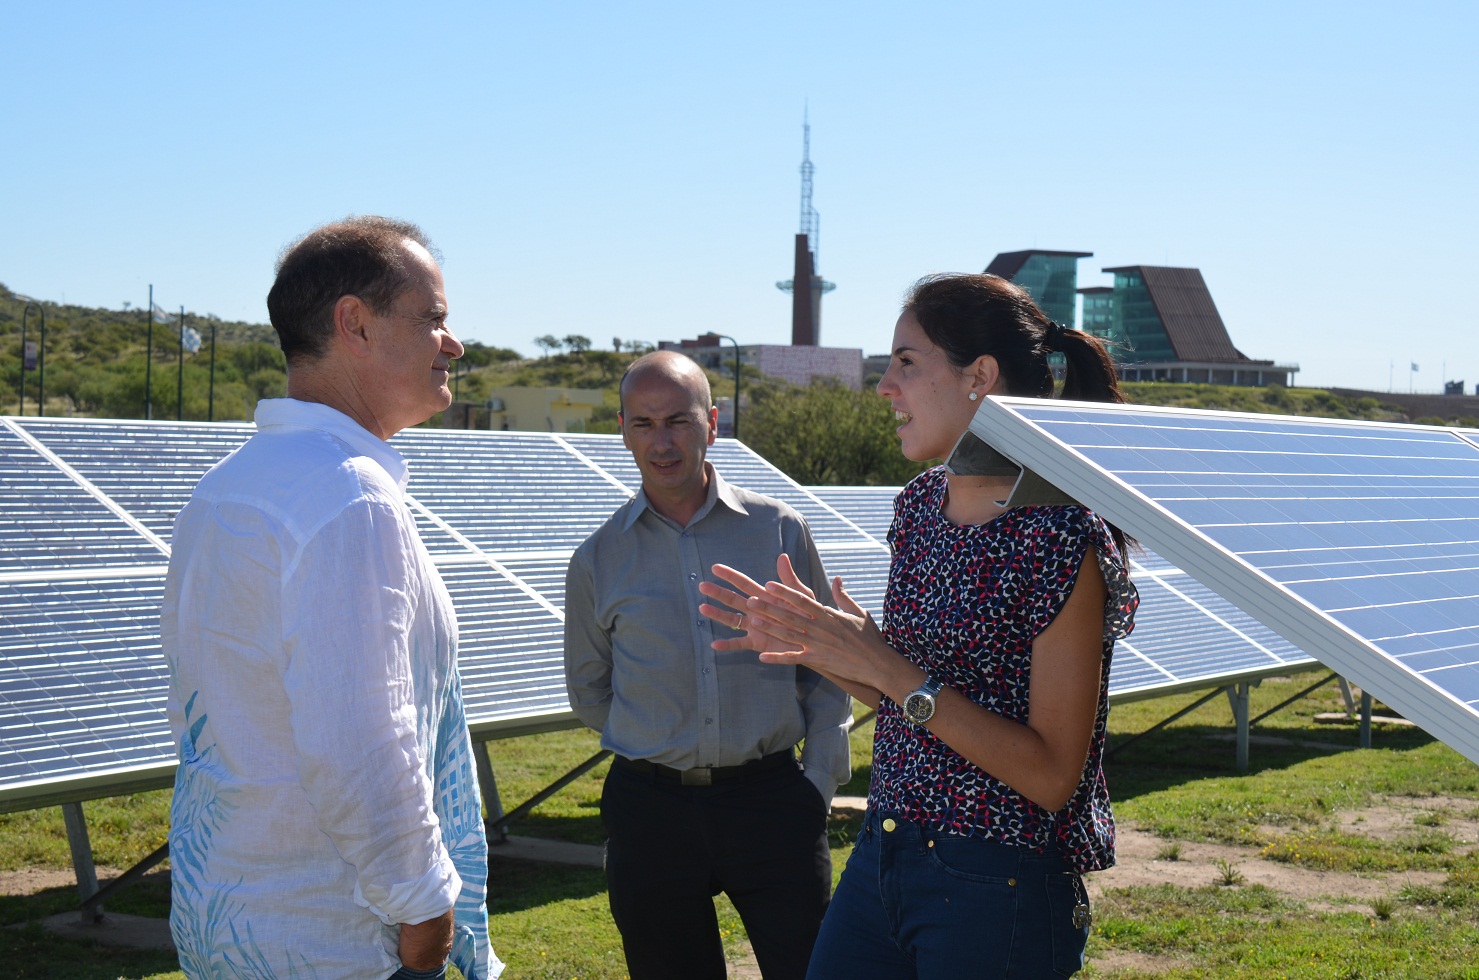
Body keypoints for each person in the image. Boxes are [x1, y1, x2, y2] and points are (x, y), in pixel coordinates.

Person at [698, 273, 1139, 979]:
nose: (883, 386)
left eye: (906, 361)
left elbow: (1054, 775)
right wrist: (819, 645)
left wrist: (884, 665)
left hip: (1001, 883)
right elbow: (906, 704)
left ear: (979, 377)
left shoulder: (1062, 535)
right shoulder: (920, 507)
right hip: (885, 853)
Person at [161, 216, 502, 980]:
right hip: (338, 942)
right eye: (433, 319)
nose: (453, 343)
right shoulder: (349, 496)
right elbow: (361, 739)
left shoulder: (227, 487)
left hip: (234, 925)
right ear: (354, 322)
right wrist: (425, 917)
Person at [563, 350, 852, 980]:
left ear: (713, 423)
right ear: (622, 428)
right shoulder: (597, 559)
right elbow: (590, 690)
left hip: (775, 804)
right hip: (652, 813)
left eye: (679, 421)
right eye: (643, 423)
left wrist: (817, 783)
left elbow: (828, 668)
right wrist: (662, 737)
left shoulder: (779, 530)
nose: (661, 442)